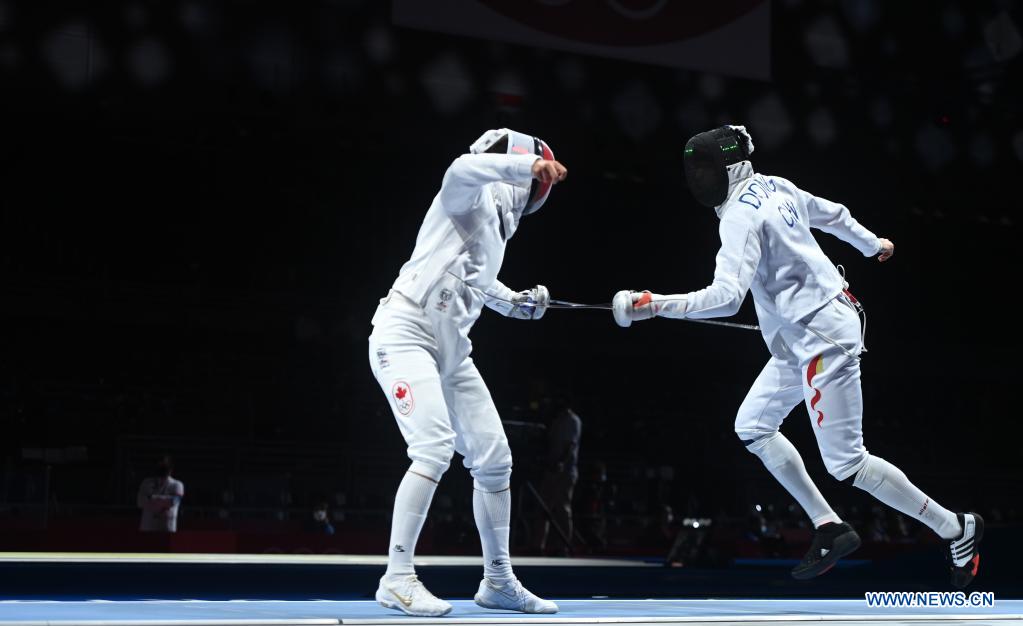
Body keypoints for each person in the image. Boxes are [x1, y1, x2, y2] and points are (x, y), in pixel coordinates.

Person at [612, 125, 982, 588]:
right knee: (753, 426)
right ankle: (829, 525)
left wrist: (655, 305)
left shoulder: (738, 218)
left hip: (823, 338)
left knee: (847, 463)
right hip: (801, 338)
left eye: (705, 168)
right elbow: (834, 214)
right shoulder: (775, 186)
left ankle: (955, 527)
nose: (698, 178)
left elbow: (726, 298)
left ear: (728, 168)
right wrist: (872, 244)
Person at [368, 129, 567, 616]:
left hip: (452, 353)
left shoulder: (496, 230)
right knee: (433, 447)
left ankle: (497, 581)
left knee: (495, 458)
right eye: (536, 177)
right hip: (405, 334)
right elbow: (461, 167)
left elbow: (477, 282)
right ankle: (397, 578)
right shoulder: (464, 191)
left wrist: (518, 303)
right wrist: (526, 167)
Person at [537, 401, 582, 554]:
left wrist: (561, 462)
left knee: (562, 509)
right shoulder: (557, 420)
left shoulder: (573, 421)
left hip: (565, 471)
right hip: (551, 469)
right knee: (544, 506)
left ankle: (563, 546)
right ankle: (539, 545)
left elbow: (571, 445)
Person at [136, 455, 185, 533]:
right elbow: (140, 502)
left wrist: (151, 498)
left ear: (170, 468)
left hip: (167, 528)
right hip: (148, 527)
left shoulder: (177, 484)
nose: (162, 467)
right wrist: (164, 501)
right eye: (159, 465)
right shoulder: (146, 482)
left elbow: (173, 501)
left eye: (164, 465)